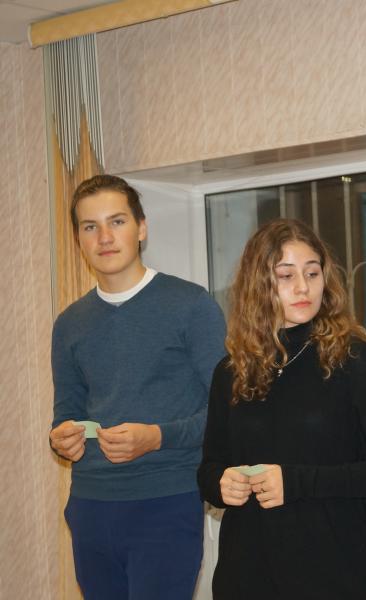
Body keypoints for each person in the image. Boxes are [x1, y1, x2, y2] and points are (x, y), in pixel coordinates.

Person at [197, 218, 366, 599]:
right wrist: (221, 483)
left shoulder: (355, 360)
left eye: (312, 273)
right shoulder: (230, 372)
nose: (303, 287)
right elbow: (209, 468)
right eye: (286, 275)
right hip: (248, 576)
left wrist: (295, 483)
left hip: (340, 574)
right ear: (258, 284)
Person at [49, 175, 226, 600]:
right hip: (90, 505)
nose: (104, 237)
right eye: (90, 226)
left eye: (117, 221)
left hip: (166, 500)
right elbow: (67, 412)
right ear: (78, 239)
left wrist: (157, 437)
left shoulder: (192, 305)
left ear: (141, 228)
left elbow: (227, 412)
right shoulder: (69, 324)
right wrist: (62, 438)